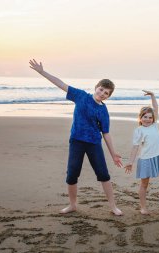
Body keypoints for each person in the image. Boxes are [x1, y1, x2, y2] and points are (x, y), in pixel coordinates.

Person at [29, 59, 123, 216]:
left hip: (93, 143)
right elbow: (60, 84)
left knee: (103, 174)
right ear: (96, 87)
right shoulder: (80, 96)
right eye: (101, 89)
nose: (102, 94)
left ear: (108, 96)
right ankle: (72, 205)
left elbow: (105, 133)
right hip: (76, 141)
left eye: (106, 93)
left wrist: (113, 154)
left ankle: (113, 206)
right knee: (72, 173)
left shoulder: (103, 111)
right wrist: (42, 72)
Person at [124, 90, 159, 215]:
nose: (148, 119)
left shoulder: (155, 125)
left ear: (153, 119)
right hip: (146, 159)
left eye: (150, 117)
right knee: (144, 184)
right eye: (145, 117)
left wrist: (153, 96)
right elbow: (135, 147)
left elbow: (156, 108)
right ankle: (143, 207)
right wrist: (130, 162)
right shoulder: (139, 130)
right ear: (140, 118)